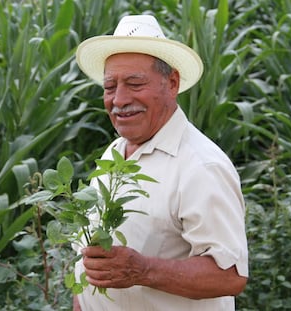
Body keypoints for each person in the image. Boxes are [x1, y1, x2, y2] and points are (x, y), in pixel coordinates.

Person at [73, 14, 249, 311]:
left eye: (134, 83)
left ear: (172, 83)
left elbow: (229, 275)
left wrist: (143, 270)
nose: (119, 99)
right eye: (109, 86)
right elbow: (90, 262)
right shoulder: (114, 154)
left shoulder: (201, 166)